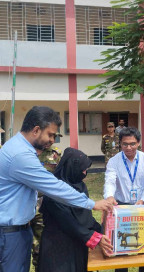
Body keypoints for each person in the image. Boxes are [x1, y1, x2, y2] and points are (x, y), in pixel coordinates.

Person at [0, 106, 112, 272]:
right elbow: (54, 187)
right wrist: (92, 204)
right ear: (36, 130)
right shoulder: (20, 155)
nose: (53, 140)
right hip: (10, 233)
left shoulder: (20, 148)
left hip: (19, 230)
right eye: (50, 134)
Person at [38, 148, 113, 272]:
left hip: (77, 244)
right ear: (71, 167)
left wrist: (103, 231)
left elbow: (85, 217)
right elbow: (67, 222)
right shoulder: (55, 191)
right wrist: (93, 237)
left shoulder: (80, 187)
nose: (84, 173)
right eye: (82, 169)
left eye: (86, 170)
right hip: (57, 249)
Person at [104, 127, 144, 272]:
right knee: (121, 247)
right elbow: (110, 180)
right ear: (120, 144)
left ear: (138, 143)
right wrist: (109, 196)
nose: (129, 147)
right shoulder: (114, 161)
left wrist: (143, 200)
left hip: (142, 206)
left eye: (132, 143)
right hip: (121, 206)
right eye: (125, 144)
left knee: (143, 249)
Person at [31, 144, 63, 271]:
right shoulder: (26, 152)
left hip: (45, 203)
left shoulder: (56, 153)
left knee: (41, 244)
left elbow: (60, 177)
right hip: (25, 203)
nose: (51, 139)